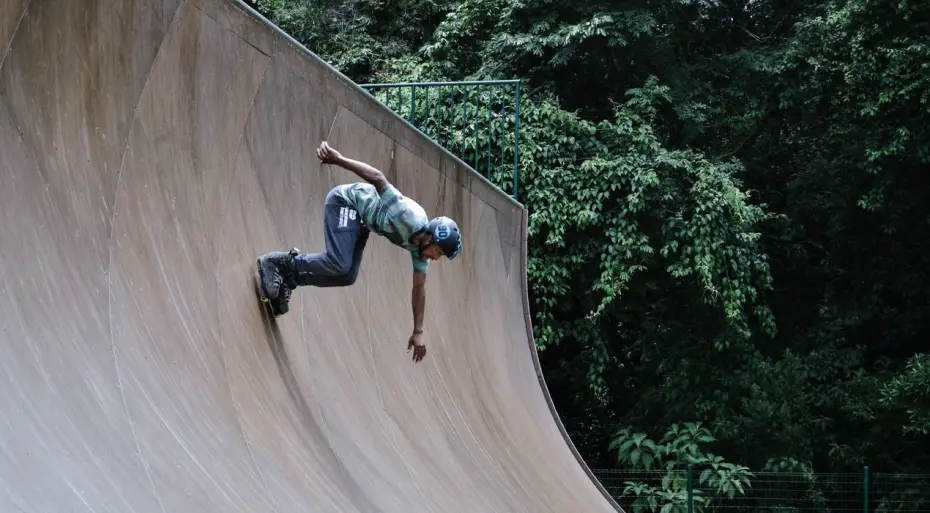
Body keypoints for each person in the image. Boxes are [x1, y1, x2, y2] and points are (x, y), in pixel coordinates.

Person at [256, 141, 462, 363]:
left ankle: (291, 279)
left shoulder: (419, 250)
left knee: (348, 275)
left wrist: (418, 331)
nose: (435, 258)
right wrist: (338, 159)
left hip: (363, 223)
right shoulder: (408, 216)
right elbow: (378, 178)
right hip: (346, 202)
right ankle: (279, 263)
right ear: (430, 237)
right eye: (438, 252)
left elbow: (419, 288)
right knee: (339, 263)